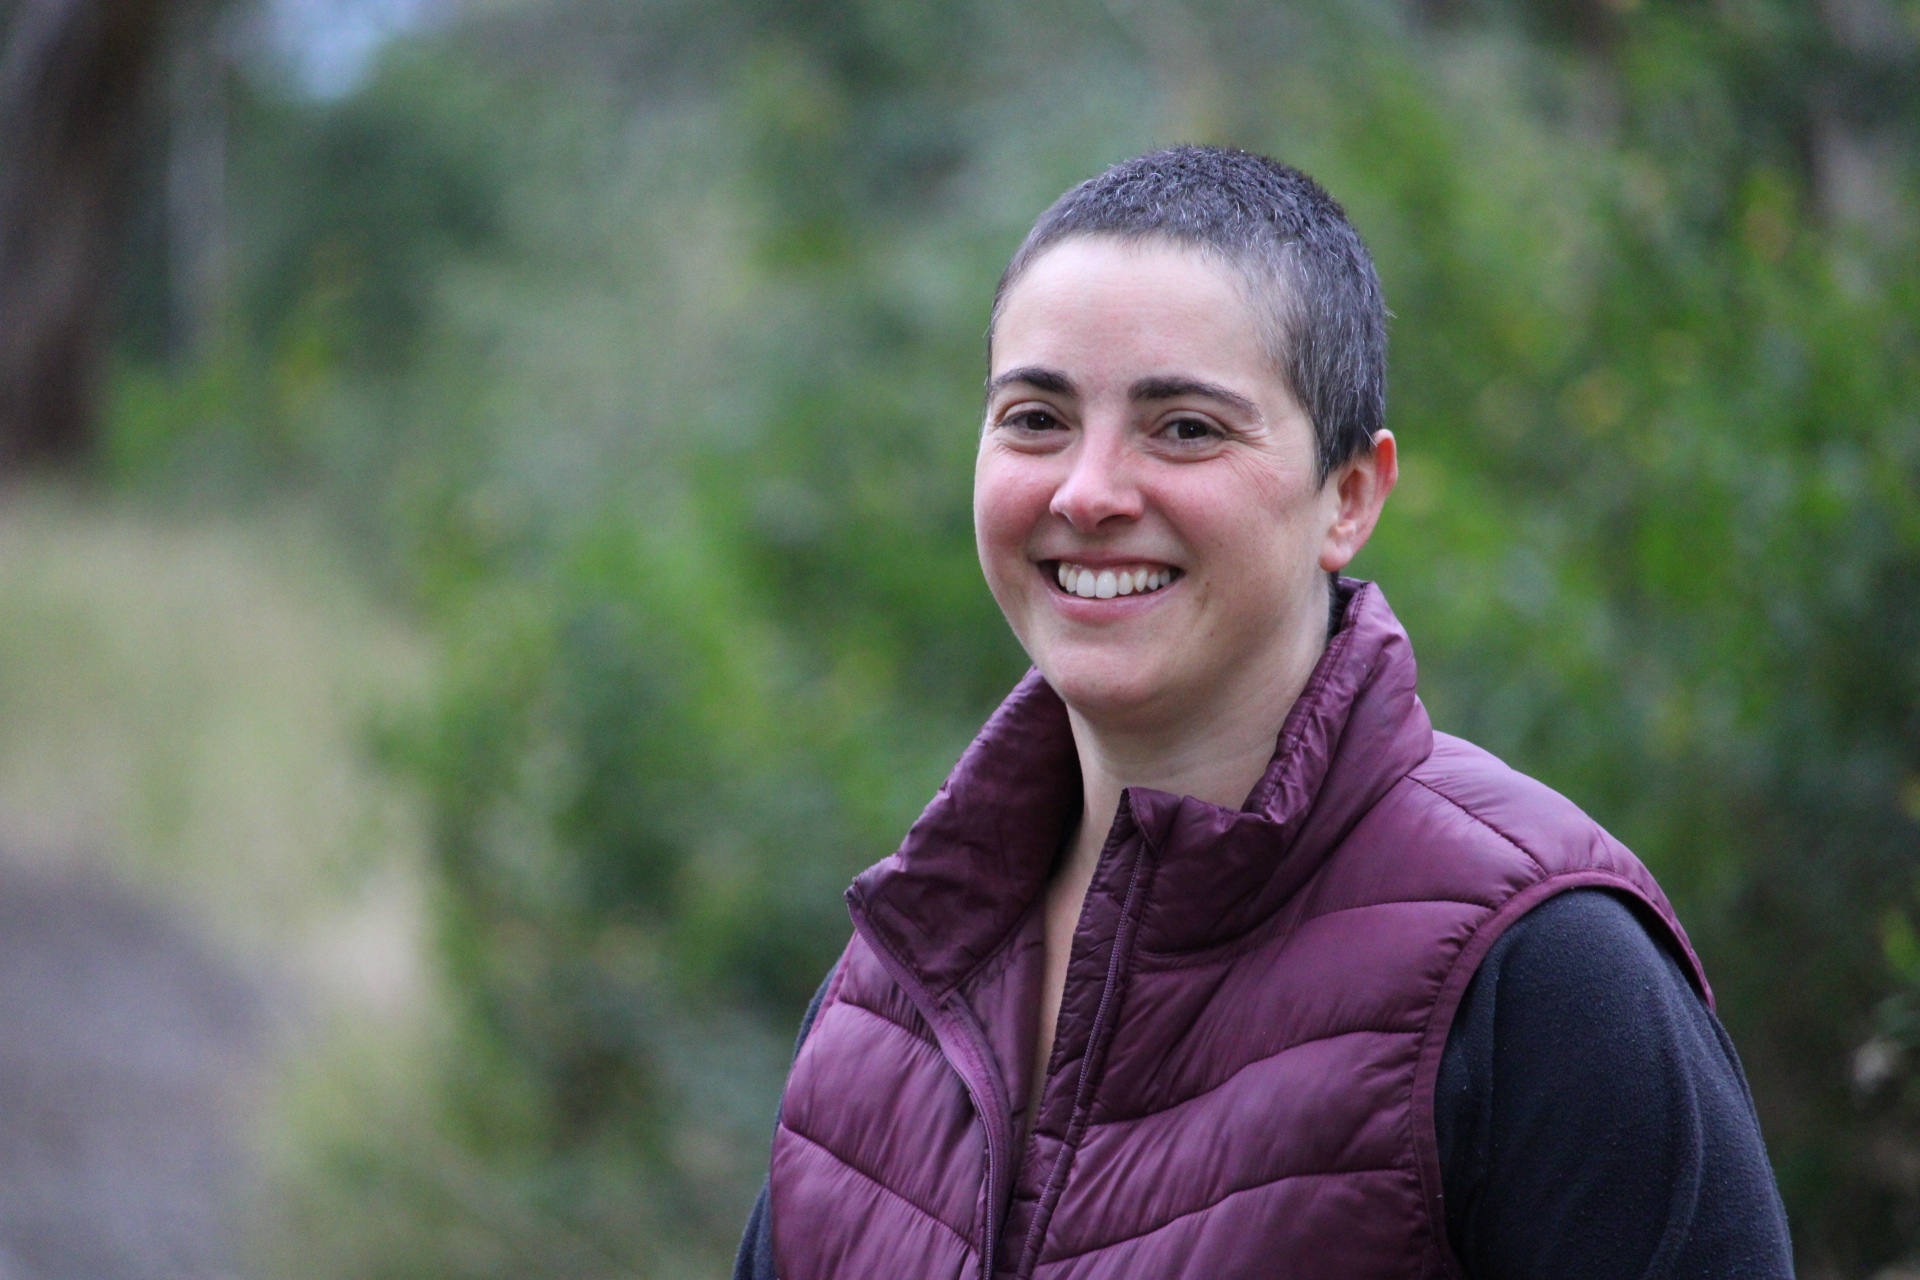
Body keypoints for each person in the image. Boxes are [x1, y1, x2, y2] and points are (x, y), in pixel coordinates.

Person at [735, 146, 1794, 1279]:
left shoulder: (1544, 971)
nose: (1087, 490)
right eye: (1035, 417)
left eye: (1184, 427)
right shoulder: (889, 990)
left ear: (1350, 495)